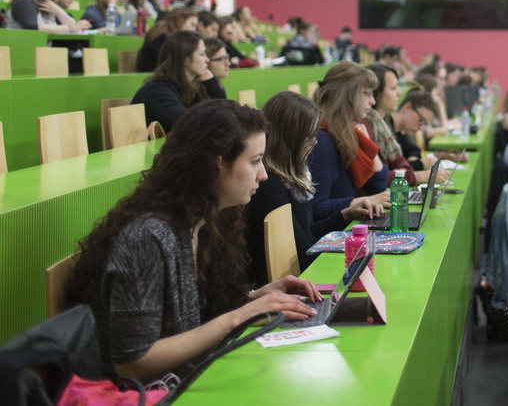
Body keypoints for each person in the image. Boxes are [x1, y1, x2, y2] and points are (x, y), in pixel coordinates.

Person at [65, 99, 323, 381]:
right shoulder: (146, 238)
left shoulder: (212, 219)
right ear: (217, 164)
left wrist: (256, 297)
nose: (263, 175)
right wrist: (240, 316)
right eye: (254, 162)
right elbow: (133, 363)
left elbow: (198, 315)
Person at [245, 92, 383, 286]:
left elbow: (307, 235)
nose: (315, 142)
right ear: (289, 138)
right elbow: (304, 256)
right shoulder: (270, 187)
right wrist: (356, 248)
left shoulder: (293, 181)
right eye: (309, 136)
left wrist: (345, 215)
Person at [309, 62, 391, 221]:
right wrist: (361, 202)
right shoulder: (322, 141)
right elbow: (316, 208)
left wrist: (366, 143)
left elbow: (379, 184)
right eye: (367, 93)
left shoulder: (348, 132)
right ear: (346, 96)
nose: (372, 101)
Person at [363, 63, 446, 186]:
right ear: (377, 93)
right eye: (393, 88)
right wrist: (417, 175)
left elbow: (399, 160)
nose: (400, 93)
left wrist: (405, 172)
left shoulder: (381, 123)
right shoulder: (365, 126)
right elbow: (376, 178)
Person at [131, 31, 226, 131]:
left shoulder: (187, 89)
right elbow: (189, 125)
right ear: (186, 59)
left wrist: (211, 83)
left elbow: (224, 116)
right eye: (202, 54)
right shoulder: (157, 91)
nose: (207, 60)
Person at [390, 89, 441, 170]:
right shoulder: (386, 130)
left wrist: (411, 161)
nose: (421, 128)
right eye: (421, 120)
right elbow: (390, 168)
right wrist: (420, 164)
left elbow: (414, 149)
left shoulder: (398, 133)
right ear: (407, 107)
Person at [135, 7, 197, 73]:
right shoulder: (163, 38)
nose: (194, 30)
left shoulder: (160, 31)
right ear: (180, 21)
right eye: (192, 25)